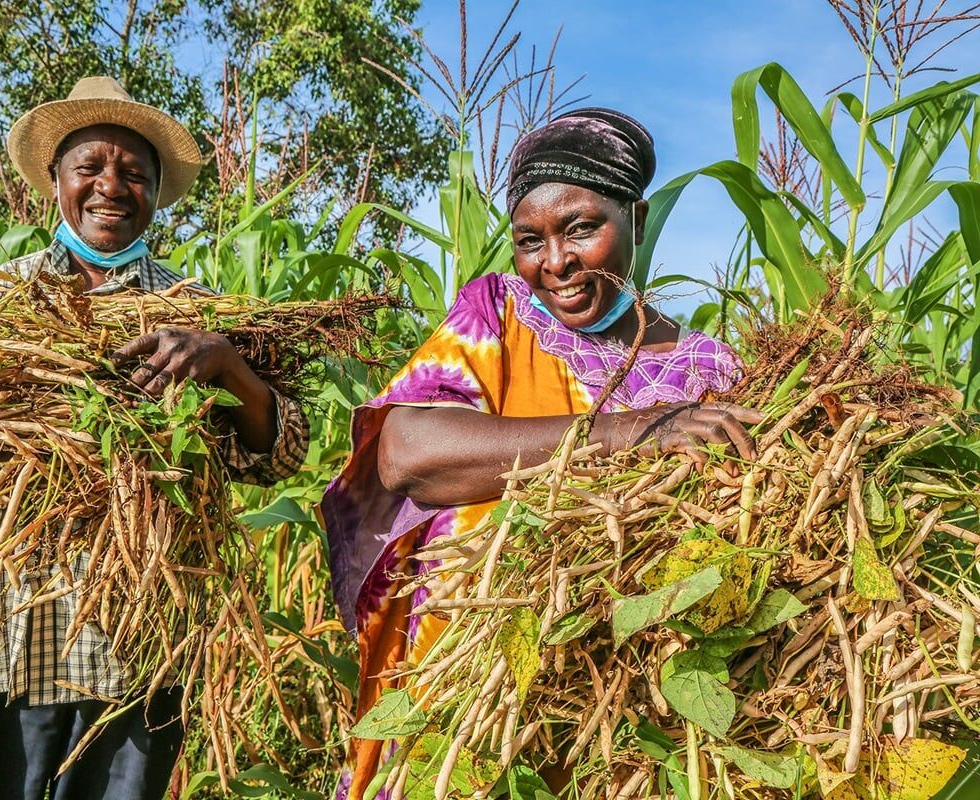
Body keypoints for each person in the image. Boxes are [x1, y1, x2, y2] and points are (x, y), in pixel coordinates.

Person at [320, 108, 764, 798]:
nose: (554, 263)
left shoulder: (711, 372)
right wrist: (626, 431)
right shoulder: (496, 313)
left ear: (638, 221)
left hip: (623, 718)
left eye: (582, 227)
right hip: (462, 691)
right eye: (531, 240)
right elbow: (409, 454)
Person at [0, 76, 310, 800]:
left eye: (134, 173)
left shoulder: (196, 314)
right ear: (55, 183)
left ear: (157, 194)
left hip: (128, 646)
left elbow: (280, 456)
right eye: (90, 168)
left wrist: (229, 369)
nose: (111, 187)